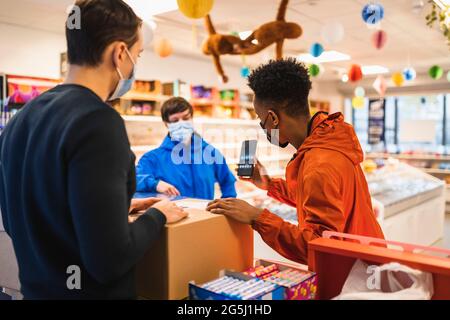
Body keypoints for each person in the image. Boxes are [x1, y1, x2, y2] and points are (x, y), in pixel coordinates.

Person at [0, 0, 187, 299]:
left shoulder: (21, 119)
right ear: (119, 53)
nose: (133, 66)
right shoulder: (98, 121)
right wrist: (159, 215)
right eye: (136, 55)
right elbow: (109, 260)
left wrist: (116, 209)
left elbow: (19, 219)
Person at [207, 58, 384, 264]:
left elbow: (320, 246)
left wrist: (257, 217)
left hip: (353, 273)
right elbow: (318, 197)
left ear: (273, 118)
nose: (262, 126)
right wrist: (269, 185)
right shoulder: (329, 138)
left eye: (260, 118)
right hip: (367, 256)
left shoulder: (319, 165)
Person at [136, 97, 237, 200]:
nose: (181, 123)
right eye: (175, 120)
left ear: (192, 118)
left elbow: (227, 181)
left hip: (206, 214)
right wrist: (155, 184)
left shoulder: (211, 153)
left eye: (186, 118)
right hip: (173, 215)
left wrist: (227, 206)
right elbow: (132, 180)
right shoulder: (152, 158)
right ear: (166, 123)